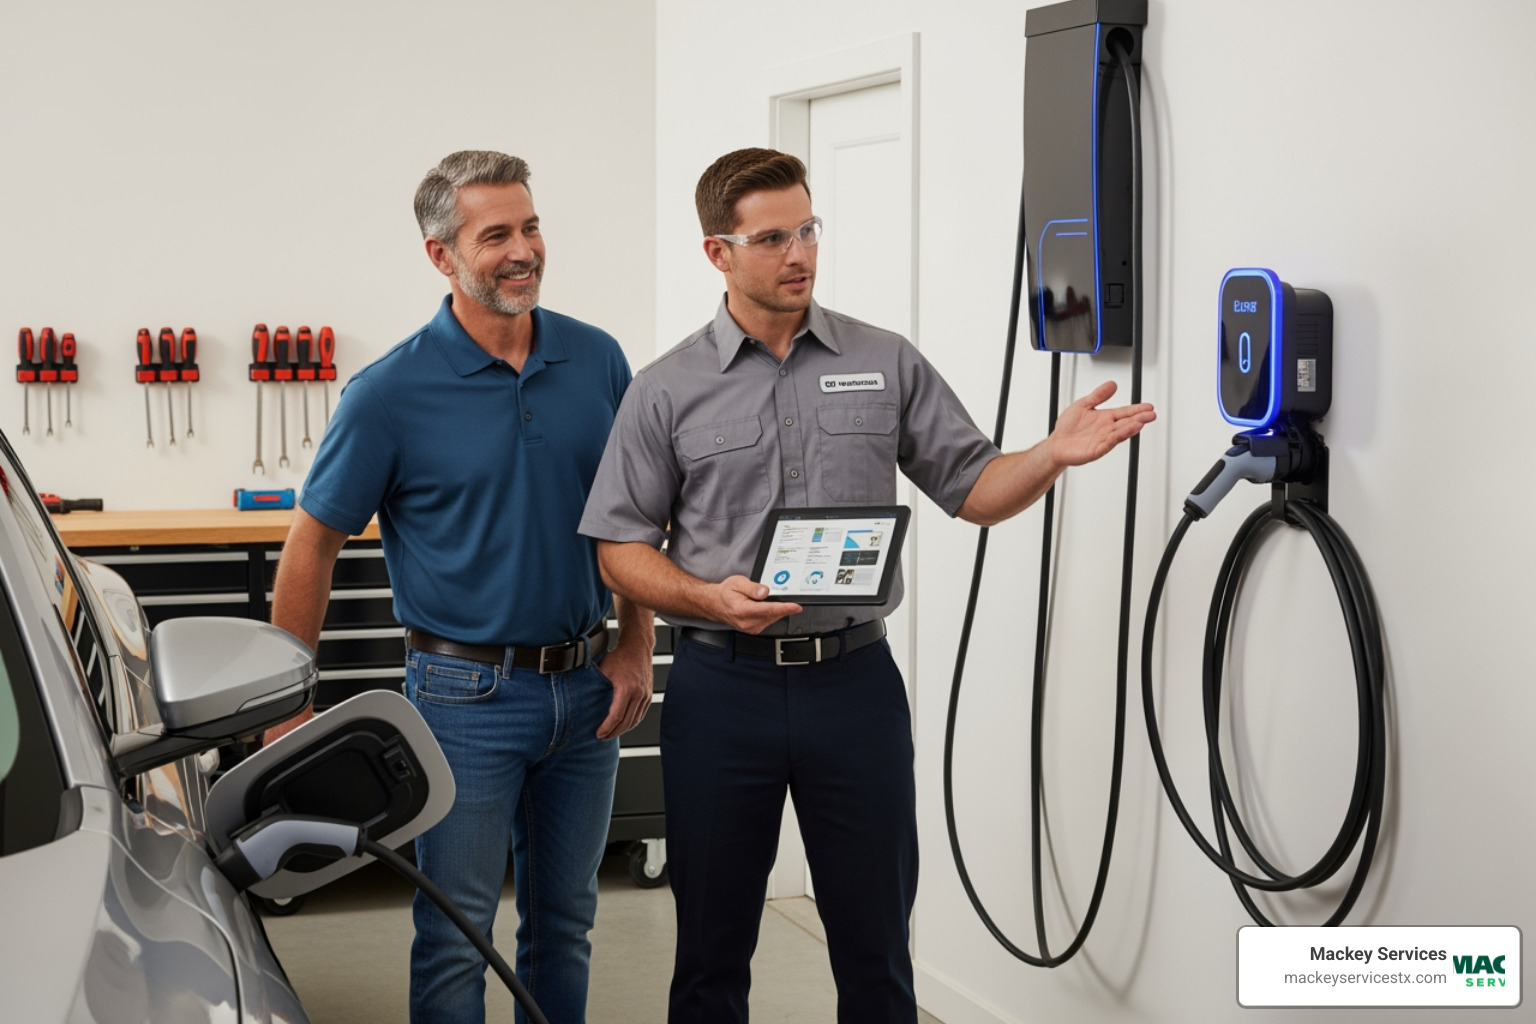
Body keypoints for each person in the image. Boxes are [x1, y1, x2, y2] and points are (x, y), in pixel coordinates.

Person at [577, 148, 1155, 1024]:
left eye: (808, 229)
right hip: (719, 688)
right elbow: (621, 547)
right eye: (771, 237)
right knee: (709, 952)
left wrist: (1050, 455)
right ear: (718, 253)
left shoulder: (885, 360)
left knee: (878, 951)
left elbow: (973, 489)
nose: (799, 252)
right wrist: (706, 597)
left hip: (855, 690)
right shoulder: (666, 390)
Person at [263, 150, 655, 1024]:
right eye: (496, 236)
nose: (523, 250)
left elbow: (632, 519)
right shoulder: (389, 392)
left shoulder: (597, 361)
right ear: (442, 256)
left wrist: (636, 640)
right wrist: (289, 703)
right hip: (461, 698)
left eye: (530, 226)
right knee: (456, 933)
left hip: (588, 691)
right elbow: (311, 546)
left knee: (567, 924)